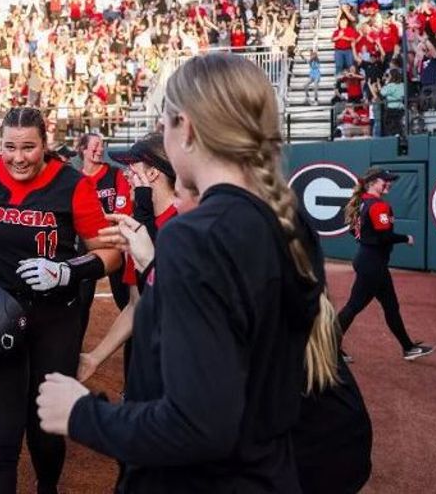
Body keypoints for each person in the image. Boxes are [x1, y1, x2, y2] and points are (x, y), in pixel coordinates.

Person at [35, 53, 341, 492]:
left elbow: (198, 425)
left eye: (165, 124)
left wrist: (81, 413)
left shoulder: (196, 235)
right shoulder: (287, 223)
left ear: (189, 127)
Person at [0, 107, 121, 494]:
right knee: (1, 438)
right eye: (9, 147)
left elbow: (110, 254)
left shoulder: (72, 183)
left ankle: (47, 488)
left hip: (54, 317)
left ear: (45, 144)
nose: (18, 157)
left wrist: (68, 271)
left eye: (28, 147)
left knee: (45, 429)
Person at [78, 132, 190, 384]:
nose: (125, 174)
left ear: (152, 174)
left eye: (132, 167)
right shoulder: (138, 228)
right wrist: (94, 358)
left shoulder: (185, 225)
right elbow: (136, 305)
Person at [339, 168, 434, 361]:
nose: (389, 183)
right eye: (385, 180)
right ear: (373, 182)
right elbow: (385, 237)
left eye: (390, 181)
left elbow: (354, 231)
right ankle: (330, 349)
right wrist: (405, 238)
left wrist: (366, 239)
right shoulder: (378, 206)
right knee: (353, 306)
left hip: (370, 261)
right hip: (372, 264)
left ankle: (408, 348)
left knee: (391, 307)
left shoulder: (362, 201)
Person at [74, 133, 132, 348]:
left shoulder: (115, 174)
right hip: (87, 246)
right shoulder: (76, 179)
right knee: (81, 302)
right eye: (96, 146)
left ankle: (136, 346)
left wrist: (95, 221)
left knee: (125, 300)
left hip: (116, 244)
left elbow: (122, 210)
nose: (100, 149)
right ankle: (73, 352)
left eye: (102, 145)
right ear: (83, 149)